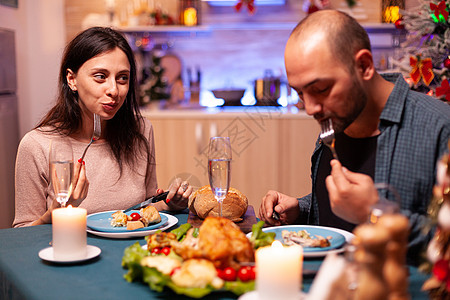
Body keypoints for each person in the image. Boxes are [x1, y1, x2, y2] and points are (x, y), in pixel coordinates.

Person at [258, 10, 450, 262]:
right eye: (300, 93)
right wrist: (302, 208)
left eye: (321, 89)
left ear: (364, 66)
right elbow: (341, 218)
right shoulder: (335, 120)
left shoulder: (439, 127)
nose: (311, 108)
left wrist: (376, 214)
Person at [13, 27, 192, 227]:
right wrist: (57, 213)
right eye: (100, 76)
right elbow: (23, 236)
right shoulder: (36, 145)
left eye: (122, 78)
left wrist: (169, 204)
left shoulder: (141, 130)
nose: (114, 90)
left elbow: (143, 210)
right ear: (71, 79)